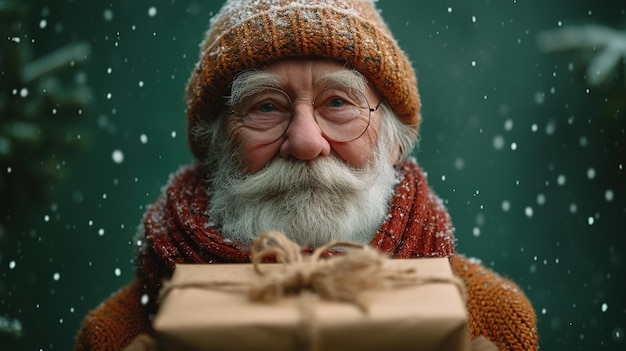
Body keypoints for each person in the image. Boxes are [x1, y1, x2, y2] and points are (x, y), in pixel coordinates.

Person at [73, 0, 538, 350]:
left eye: (338, 102)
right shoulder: (116, 336)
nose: (305, 142)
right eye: (265, 107)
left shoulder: (492, 318)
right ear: (215, 149)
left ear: (394, 142)